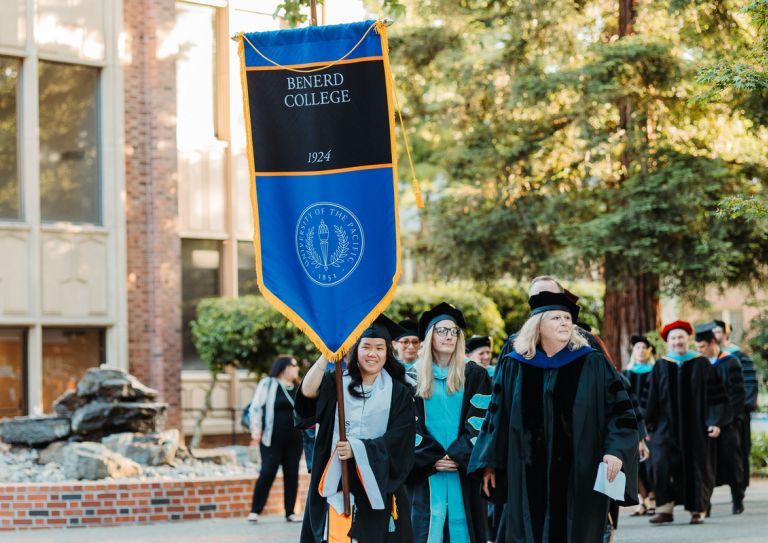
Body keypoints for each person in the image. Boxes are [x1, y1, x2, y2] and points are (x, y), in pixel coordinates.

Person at [469, 291, 639, 543]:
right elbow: (497, 417)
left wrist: (616, 450)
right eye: (556, 318)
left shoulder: (592, 363)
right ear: (538, 325)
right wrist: (490, 462)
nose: (564, 322)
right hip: (525, 474)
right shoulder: (514, 364)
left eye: (567, 318)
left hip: (580, 474)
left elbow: (621, 412)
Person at [294, 315, 415, 543]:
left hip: (379, 487)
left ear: (387, 353)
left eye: (379, 348)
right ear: (355, 350)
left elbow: (400, 441)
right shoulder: (336, 383)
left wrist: (357, 450)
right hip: (335, 484)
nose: (373, 353)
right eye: (366, 347)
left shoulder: (399, 393)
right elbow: (307, 397)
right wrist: (326, 355)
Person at [409, 302, 492, 543]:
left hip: (463, 471)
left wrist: (457, 455)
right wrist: (432, 457)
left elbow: (482, 420)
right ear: (430, 335)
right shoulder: (410, 378)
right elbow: (407, 425)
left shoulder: (475, 374)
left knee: (463, 528)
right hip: (425, 473)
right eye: (442, 330)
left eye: (453, 331)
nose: (448, 336)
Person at [642, 320, 728, 525]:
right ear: (667, 342)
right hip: (665, 427)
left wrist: (715, 421)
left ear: (688, 339)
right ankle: (664, 509)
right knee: (660, 463)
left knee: (697, 465)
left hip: (697, 426)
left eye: (680, 337)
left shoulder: (702, 363)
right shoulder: (661, 365)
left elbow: (716, 396)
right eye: (673, 338)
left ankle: (698, 509)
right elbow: (649, 398)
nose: (677, 341)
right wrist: (647, 426)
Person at [695, 322, 746, 514]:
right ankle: (705, 504)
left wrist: (722, 423)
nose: (699, 350)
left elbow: (736, 397)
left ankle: (737, 499)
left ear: (712, 343)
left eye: (702, 347)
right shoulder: (701, 364)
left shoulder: (731, 362)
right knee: (706, 465)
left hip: (728, 423)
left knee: (732, 463)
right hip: (708, 423)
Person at [247, 356, 303, 523]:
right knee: (267, 472)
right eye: (294, 365)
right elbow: (255, 407)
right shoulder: (268, 384)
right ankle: (255, 510)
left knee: (292, 474)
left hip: (294, 439)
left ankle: (290, 512)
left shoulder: (298, 387)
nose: (297, 369)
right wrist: (256, 430)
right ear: (284, 367)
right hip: (271, 438)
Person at [713, 319, 758, 494]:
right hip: (716, 416)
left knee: (740, 449)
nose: (714, 335)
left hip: (738, 414)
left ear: (726, 334)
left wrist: (736, 411)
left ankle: (739, 488)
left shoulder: (740, 357)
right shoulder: (710, 359)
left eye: (717, 331)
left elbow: (749, 387)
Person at [623, 334, 656, 516]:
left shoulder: (654, 371)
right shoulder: (626, 374)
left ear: (648, 351)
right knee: (635, 464)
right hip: (632, 424)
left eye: (644, 348)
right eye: (638, 348)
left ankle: (653, 499)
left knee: (650, 464)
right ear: (633, 351)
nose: (641, 351)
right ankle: (642, 500)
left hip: (650, 425)